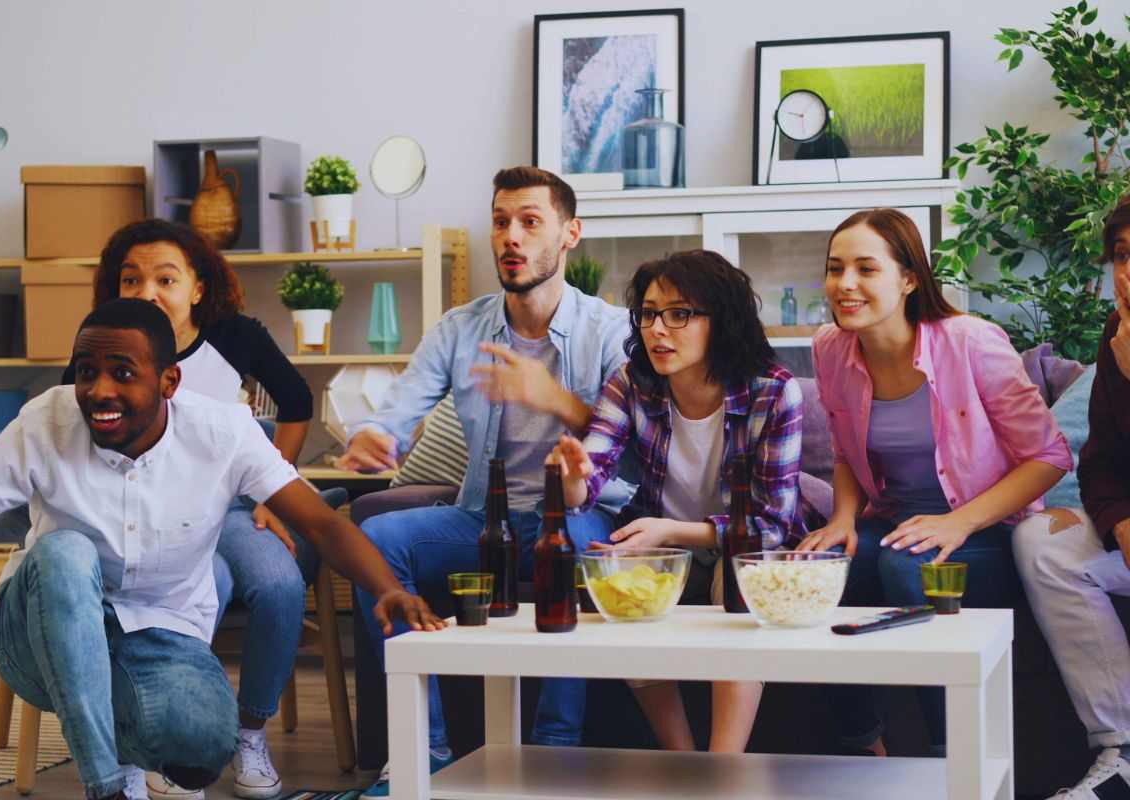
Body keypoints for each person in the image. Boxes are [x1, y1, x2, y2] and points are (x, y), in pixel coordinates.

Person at [0, 299, 441, 800]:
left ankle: (124, 735)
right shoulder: (45, 422)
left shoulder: (223, 431)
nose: (98, 390)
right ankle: (106, 787)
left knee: (201, 748)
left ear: (169, 382)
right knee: (64, 553)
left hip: (159, 635)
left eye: (121, 373)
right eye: (87, 372)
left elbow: (320, 524)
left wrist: (388, 589)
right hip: (37, 631)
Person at [338, 166, 633, 796]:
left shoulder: (611, 330)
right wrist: (376, 436)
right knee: (376, 542)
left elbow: (634, 435)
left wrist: (553, 398)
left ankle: (556, 753)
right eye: (501, 222)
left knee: (579, 549)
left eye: (531, 222)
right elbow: (400, 409)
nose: (511, 238)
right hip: (485, 517)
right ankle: (426, 750)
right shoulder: (459, 329)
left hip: (580, 515)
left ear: (569, 233)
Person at [62, 219, 333, 799]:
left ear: (198, 286)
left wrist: (271, 491)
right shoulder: (100, 344)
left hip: (230, 506)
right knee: (177, 588)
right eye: (131, 280)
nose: (147, 292)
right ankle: (159, 740)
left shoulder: (234, 336)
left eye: (165, 278)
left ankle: (247, 736)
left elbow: (297, 400)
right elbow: (71, 433)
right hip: (142, 514)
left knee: (281, 585)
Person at [796, 208, 1071, 756]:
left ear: (908, 279)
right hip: (898, 520)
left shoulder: (970, 342)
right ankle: (863, 753)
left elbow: (1048, 456)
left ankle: (953, 760)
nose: (845, 284)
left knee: (908, 567)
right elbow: (848, 452)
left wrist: (956, 523)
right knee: (821, 571)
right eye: (835, 268)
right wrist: (843, 519)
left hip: (986, 524)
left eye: (866, 269)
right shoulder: (831, 347)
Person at [550, 249, 807, 753]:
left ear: (723, 320)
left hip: (743, 544)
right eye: (649, 314)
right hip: (661, 540)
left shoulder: (774, 392)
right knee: (614, 577)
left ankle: (723, 767)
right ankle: (682, 760)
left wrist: (669, 532)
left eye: (680, 314)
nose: (658, 330)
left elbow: (772, 523)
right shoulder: (632, 382)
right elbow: (588, 485)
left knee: (738, 574)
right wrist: (573, 477)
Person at [1012, 197, 1130, 798]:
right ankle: (1123, 750)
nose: (1129, 273)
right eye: (1122, 254)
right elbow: (1101, 464)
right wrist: (1121, 523)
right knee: (1042, 543)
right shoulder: (1118, 334)